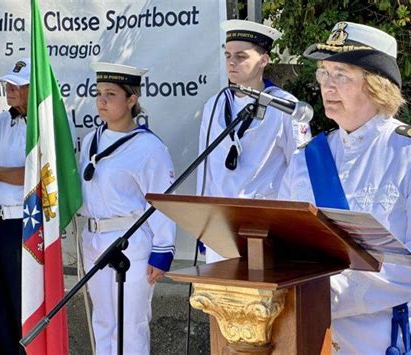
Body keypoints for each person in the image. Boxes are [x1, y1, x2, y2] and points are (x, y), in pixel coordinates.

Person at [278, 22, 411, 353]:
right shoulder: (306, 160)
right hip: (319, 337)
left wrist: (329, 294)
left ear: (378, 86)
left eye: (341, 76)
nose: (327, 87)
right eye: (323, 73)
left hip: (393, 338)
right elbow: (286, 245)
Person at [79, 62, 176, 355]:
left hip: (130, 240)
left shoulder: (148, 147)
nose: (102, 101)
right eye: (98, 94)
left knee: (130, 324)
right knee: (103, 321)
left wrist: (163, 250)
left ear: (131, 100)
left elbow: (162, 200)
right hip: (94, 236)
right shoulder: (90, 140)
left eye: (111, 94)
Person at [197, 19, 311, 263]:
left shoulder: (285, 106)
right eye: (228, 55)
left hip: (264, 228)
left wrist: (297, 231)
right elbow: (206, 169)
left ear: (264, 60)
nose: (231, 62)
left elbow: (301, 171)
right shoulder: (215, 104)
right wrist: (202, 226)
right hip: (220, 227)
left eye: (241, 56)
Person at [0, 58, 30, 355]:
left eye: (18, 85)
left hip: (24, 225)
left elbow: (32, 176)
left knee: (22, 302)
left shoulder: (45, 124)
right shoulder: (0, 121)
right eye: (9, 83)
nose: (10, 89)